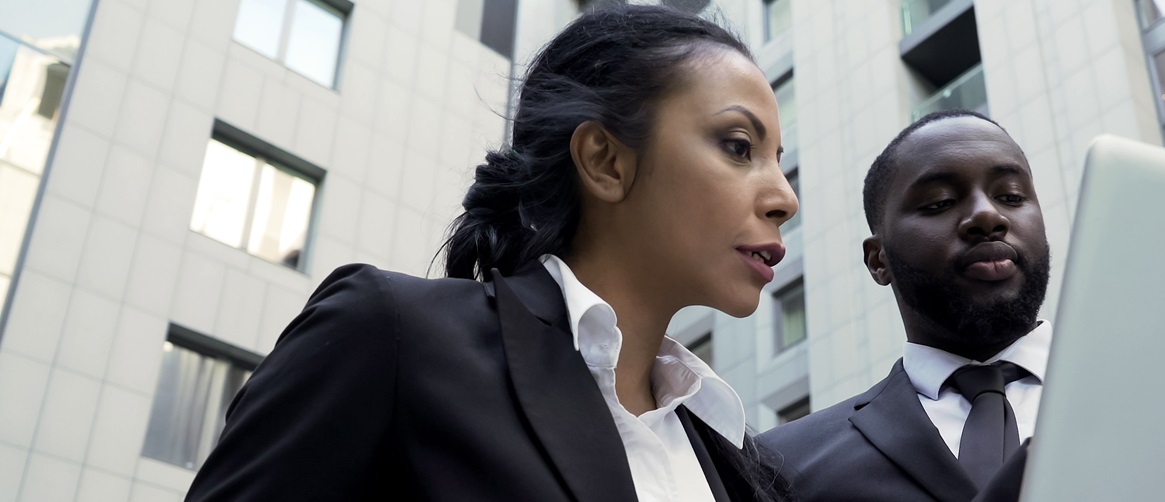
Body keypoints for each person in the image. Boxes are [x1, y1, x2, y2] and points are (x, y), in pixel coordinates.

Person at [185, 5, 797, 501]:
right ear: (606, 161)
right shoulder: (391, 334)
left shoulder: (737, 459)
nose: (784, 197)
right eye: (739, 146)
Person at [758, 110, 1052, 502]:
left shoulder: (1156, 392)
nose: (988, 215)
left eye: (1012, 196)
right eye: (939, 203)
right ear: (879, 260)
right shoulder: (780, 465)